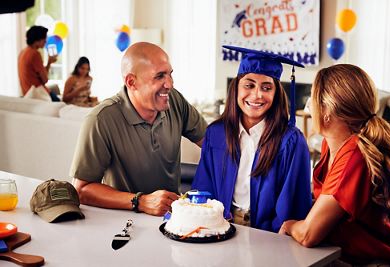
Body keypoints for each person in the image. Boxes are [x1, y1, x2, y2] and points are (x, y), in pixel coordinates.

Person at [279, 64, 390, 265]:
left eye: (313, 98)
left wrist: (290, 225)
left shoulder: (355, 153)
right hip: (347, 254)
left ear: (327, 110)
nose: (309, 105)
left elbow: (309, 234)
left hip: (376, 261)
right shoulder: (331, 143)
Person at [71, 42, 207, 216]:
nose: (170, 84)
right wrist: (141, 201)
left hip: (172, 220)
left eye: (170, 74)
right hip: (124, 222)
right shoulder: (100, 120)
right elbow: (81, 190)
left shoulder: (174, 101)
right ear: (131, 82)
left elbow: (213, 143)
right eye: (159, 76)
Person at [192, 46, 312, 232]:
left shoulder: (290, 141)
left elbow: (292, 204)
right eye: (249, 85)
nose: (257, 95)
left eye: (266, 88)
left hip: (269, 235)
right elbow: (203, 188)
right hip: (219, 227)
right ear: (236, 89)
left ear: (276, 94)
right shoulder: (216, 134)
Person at [18, 25, 59, 101]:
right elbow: (45, 80)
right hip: (37, 94)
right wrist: (49, 63)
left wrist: (49, 62)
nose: (46, 41)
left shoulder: (23, 52)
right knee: (62, 106)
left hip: (27, 94)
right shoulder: (35, 54)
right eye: (44, 39)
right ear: (38, 40)